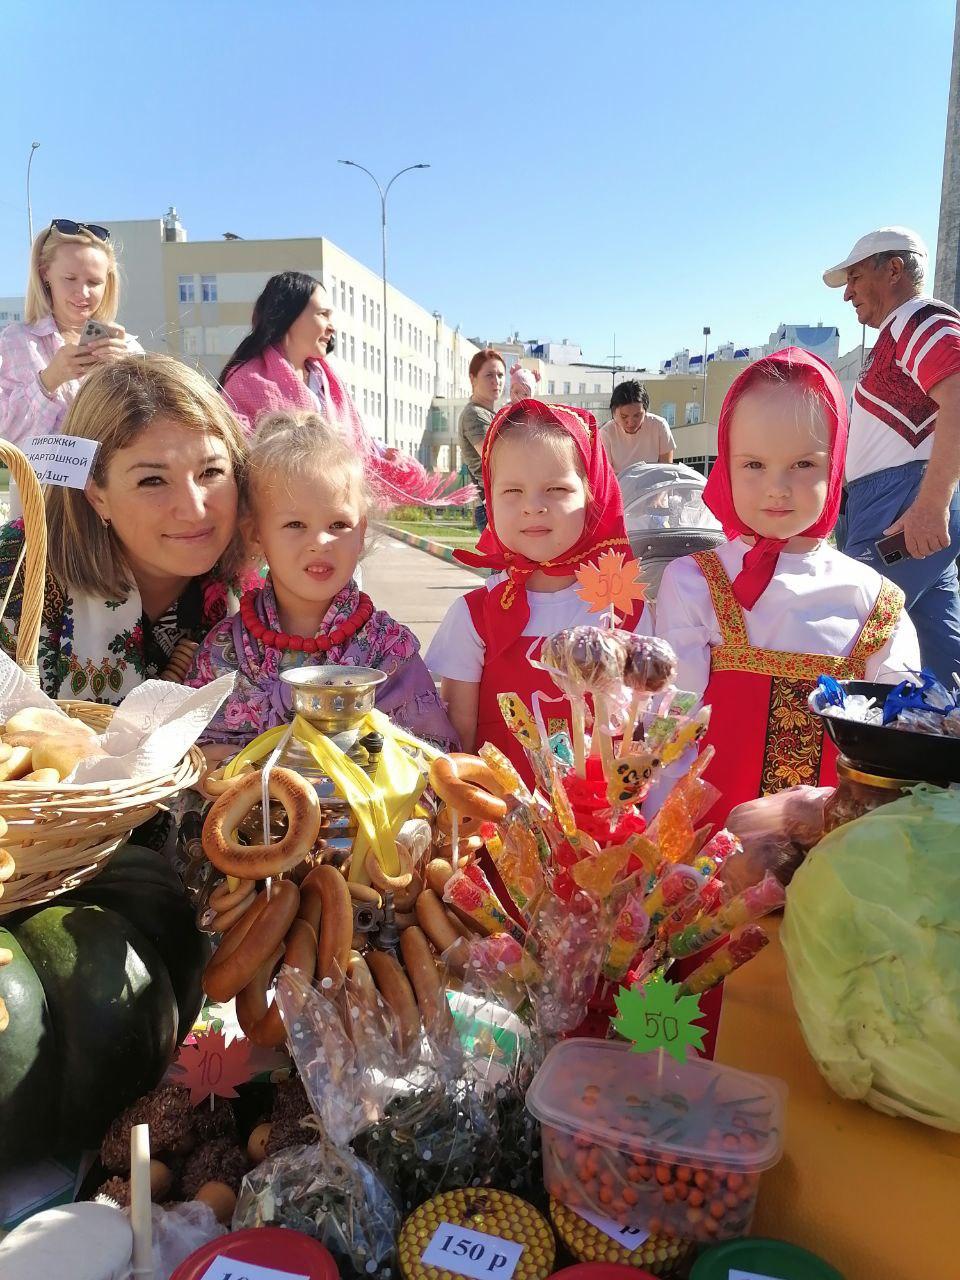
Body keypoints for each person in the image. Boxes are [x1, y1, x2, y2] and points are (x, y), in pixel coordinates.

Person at [654, 348, 919, 825]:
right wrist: (659, 850)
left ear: (835, 463)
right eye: (753, 465)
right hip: (714, 857)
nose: (777, 487)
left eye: (803, 465)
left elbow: (896, 751)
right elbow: (670, 731)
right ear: (726, 464)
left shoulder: (877, 601)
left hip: (838, 858)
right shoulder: (694, 582)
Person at [185, 411, 457, 753]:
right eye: (295, 524)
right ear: (255, 533)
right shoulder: (225, 650)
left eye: (339, 525)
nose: (319, 542)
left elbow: (432, 755)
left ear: (361, 533)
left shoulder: (389, 649)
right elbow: (194, 757)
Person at [427, 398, 651, 784]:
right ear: (490, 498)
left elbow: (645, 731)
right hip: (502, 834)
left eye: (556, 489)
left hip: (603, 835)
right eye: (512, 490)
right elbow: (458, 741)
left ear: (591, 494)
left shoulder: (623, 608)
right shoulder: (474, 616)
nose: (532, 506)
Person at [0, 355, 246, 702]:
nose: (194, 510)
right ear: (97, 496)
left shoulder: (264, 595)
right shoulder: (12, 575)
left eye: (211, 472)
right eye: (153, 480)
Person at [823, 226, 960, 684]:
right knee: (938, 660)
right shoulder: (901, 330)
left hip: (902, 501)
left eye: (856, 278)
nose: (849, 295)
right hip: (896, 501)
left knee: (848, 640)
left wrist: (931, 504)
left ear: (895, 270)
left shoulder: (918, 318)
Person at [220, 271, 471, 508]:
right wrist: (308, 443)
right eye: (322, 314)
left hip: (333, 513)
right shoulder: (245, 381)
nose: (332, 327)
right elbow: (237, 455)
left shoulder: (327, 382)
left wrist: (384, 455)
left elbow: (358, 443)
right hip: (279, 521)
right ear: (289, 316)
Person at [0, 221, 143, 446]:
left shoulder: (129, 349)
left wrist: (127, 376)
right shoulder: (16, 342)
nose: (83, 293)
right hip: (42, 482)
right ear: (45, 273)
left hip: (111, 480)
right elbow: (8, 438)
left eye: (94, 282)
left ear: (108, 283)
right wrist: (49, 380)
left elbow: (148, 432)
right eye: (70, 279)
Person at [459, 348, 506, 531]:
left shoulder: (491, 414)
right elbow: (498, 457)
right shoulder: (474, 414)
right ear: (473, 379)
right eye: (489, 375)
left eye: (500, 375)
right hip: (490, 507)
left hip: (499, 504)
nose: (496, 381)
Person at [600, 380, 675, 474]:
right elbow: (605, 476)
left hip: (654, 485)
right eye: (624, 417)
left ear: (645, 410)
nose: (631, 423)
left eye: (637, 416)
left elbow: (667, 469)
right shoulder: (606, 433)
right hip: (620, 486)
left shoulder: (659, 425)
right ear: (614, 412)